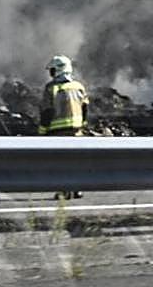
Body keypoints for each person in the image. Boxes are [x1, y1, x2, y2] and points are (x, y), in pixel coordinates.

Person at [38, 54, 88, 199]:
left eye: (52, 70)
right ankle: (77, 189)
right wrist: (82, 125)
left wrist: (42, 130)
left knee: (59, 162)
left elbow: (47, 111)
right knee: (75, 161)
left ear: (59, 70)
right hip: (76, 131)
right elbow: (85, 108)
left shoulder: (51, 88)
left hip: (58, 132)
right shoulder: (79, 87)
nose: (51, 73)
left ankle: (63, 191)